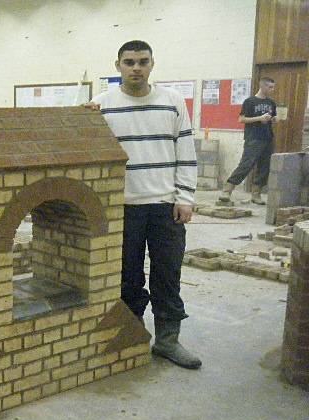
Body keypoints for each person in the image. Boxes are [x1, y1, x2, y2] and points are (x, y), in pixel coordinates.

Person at [85, 40, 201, 369]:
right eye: (129, 61)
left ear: (152, 64)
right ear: (118, 65)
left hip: (166, 207)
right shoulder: (101, 105)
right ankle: (131, 340)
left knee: (167, 275)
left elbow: (186, 153)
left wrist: (185, 197)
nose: (136, 67)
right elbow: (88, 150)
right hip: (123, 208)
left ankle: (167, 342)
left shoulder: (173, 101)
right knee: (127, 278)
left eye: (142, 61)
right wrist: (84, 119)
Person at [219, 77, 279, 205]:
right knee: (246, 164)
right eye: (270, 87)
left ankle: (256, 194)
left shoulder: (271, 103)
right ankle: (227, 190)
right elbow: (241, 119)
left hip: (268, 138)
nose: (272, 90)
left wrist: (273, 119)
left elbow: (272, 117)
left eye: (273, 87)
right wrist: (259, 118)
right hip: (253, 138)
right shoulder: (250, 101)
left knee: (265, 167)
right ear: (262, 86)